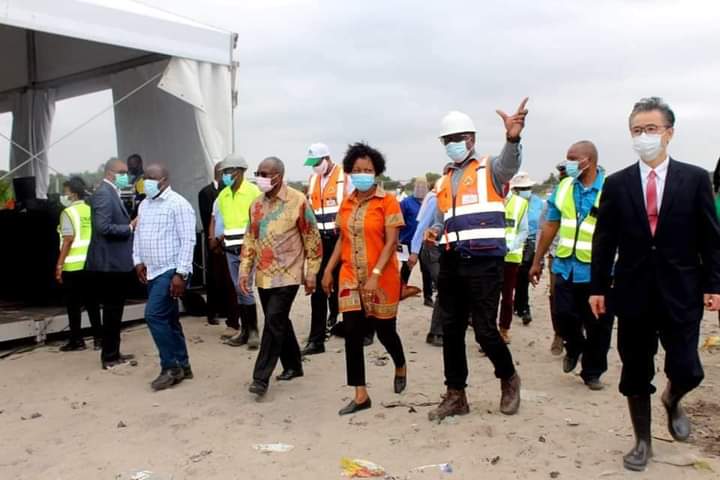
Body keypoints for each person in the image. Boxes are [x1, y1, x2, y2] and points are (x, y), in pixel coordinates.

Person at [589, 97, 720, 471]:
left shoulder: (694, 179)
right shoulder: (616, 184)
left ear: (669, 133)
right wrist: (599, 288)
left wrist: (715, 284)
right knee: (635, 369)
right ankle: (643, 441)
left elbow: (711, 238)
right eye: (637, 130)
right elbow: (604, 239)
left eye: (652, 129)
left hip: (682, 289)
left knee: (688, 368)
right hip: (633, 291)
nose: (644, 136)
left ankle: (673, 399)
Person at [425, 100, 528, 422]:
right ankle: (456, 395)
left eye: (458, 138)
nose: (453, 144)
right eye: (447, 140)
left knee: (484, 330)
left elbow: (510, 165)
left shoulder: (490, 169)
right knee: (451, 330)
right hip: (452, 260)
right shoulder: (443, 181)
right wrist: (435, 229)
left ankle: (509, 378)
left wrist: (512, 139)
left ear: (471, 138)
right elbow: (445, 218)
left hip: (484, 262)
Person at [321, 143, 407, 415]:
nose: (362, 174)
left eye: (367, 170)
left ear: (377, 172)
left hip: (382, 278)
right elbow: (340, 241)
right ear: (349, 172)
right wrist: (327, 270)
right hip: (349, 277)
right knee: (352, 334)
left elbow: (391, 242)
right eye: (357, 170)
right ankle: (360, 394)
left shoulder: (388, 201)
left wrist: (376, 275)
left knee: (385, 331)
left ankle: (400, 364)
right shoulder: (345, 203)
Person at [529, 141, 612, 391]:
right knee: (563, 316)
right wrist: (537, 260)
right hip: (565, 266)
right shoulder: (564, 187)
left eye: (573, 158)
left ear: (589, 161)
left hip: (597, 271)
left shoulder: (611, 189)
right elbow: (551, 225)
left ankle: (592, 371)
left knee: (598, 325)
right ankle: (574, 347)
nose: (569, 163)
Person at [240, 157, 322, 396]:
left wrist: (312, 273)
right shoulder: (256, 205)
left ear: (278, 176)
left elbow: (312, 239)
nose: (260, 177)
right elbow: (250, 240)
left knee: (274, 320)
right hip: (264, 275)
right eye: (258, 172)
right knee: (279, 320)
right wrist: (244, 271)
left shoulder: (298, 201)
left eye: (265, 173)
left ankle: (260, 377)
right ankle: (294, 365)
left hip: (289, 273)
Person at [133, 164, 196, 391]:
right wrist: (137, 260)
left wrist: (181, 273)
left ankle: (170, 367)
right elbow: (139, 236)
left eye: (152, 178)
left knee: (153, 315)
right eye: (145, 177)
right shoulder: (144, 205)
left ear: (165, 180)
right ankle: (184, 364)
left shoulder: (178, 205)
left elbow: (188, 240)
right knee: (169, 319)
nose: (147, 182)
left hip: (170, 270)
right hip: (152, 269)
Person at [86, 158, 136, 369]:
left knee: (115, 311)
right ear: (110, 173)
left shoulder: (111, 192)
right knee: (112, 311)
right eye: (122, 172)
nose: (127, 175)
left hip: (115, 263)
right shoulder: (104, 194)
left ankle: (114, 352)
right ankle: (110, 357)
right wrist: (130, 228)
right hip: (109, 264)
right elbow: (103, 227)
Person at [302, 143, 350, 355]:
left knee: (346, 286)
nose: (315, 167)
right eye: (312, 163)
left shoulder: (345, 177)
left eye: (317, 162)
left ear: (328, 158)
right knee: (318, 290)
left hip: (342, 240)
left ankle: (356, 329)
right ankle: (316, 339)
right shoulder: (313, 180)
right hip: (320, 241)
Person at [211, 154, 262, 347]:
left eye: (229, 171)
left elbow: (260, 221)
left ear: (240, 171)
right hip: (230, 249)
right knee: (238, 290)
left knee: (245, 288)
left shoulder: (253, 192)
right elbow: (220, 222)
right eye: (223, 172)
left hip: (248, 249)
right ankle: (245, 331)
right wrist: (216, 240)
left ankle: (253, 331)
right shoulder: (223, 195)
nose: (225, 175)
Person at [55, 176, 102, 351]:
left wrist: (59, 265)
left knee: (73, 305)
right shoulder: (90, 210)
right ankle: (98, 338)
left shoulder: (67, 212)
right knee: (92, 303)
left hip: (73, 265)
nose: (64, 195)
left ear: (73, 193)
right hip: (90, 263)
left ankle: (77, 340)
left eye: (65, 191)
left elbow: (67, 239)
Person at [198, 161, 237, 326]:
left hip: (231, 241)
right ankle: (212, 312)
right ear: (220, 173)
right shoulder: (206, 193)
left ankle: (230, 312)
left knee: (230, 280)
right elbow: (208, 219)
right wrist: (213, 239)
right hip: (214, 243)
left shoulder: (230, 192)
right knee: (214, 279)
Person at [409, 176, 445, 346]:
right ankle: (436, 333)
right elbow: (422, 227)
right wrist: (414, 252)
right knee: (445, 288)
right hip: (432, 250)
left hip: (448, 251)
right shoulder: (436, 200)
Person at [496, 173, 531, 343]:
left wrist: (511, 245)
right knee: (488, 296)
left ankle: (504, 329)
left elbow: (524, 230)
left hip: (510, 257)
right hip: (490, 256)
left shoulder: (520, 204)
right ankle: (488, 329)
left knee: (508, 298)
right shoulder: (490, 200)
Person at [513, 173, 543, 326]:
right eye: (522, 188)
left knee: (524, 276)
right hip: (515, 242)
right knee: (514, 277)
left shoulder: (539, 203)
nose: (526, 190)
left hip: (531, 244)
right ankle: (517, 305)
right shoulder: (512, 203)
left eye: (528, 188)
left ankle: (523, 307)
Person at [544, 161, 568, 356]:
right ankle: (559, 333)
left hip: (586, 259)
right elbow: (545, 227)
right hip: (557, 256)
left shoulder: (595, 195)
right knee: (556, 297)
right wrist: (539, 258)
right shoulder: (555, 197)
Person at [399, 176, 434, 306]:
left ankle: (428, 297)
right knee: (406, 268)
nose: (420, 188)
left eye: (423, 185)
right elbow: (398, 221)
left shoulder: (430, 201)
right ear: (414, 186)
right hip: (408, 241)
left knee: (427, 270)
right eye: (418, 185)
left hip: (425, 242)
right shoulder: (406, 202)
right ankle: (400, 291)